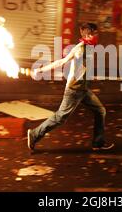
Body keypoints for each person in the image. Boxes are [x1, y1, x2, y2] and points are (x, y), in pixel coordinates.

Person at [27, 22, 114, 151]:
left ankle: (98, 143)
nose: (97, 36)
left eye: (97, 33)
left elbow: (83, 68)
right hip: (74, 90)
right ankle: (34, 134)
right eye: (95, 33)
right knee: (60, 118)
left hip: (83, 90)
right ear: (89, 35)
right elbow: (61, 62)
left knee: (100, 111)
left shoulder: (90, 47)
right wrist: (40, 70)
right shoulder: (80, 49)